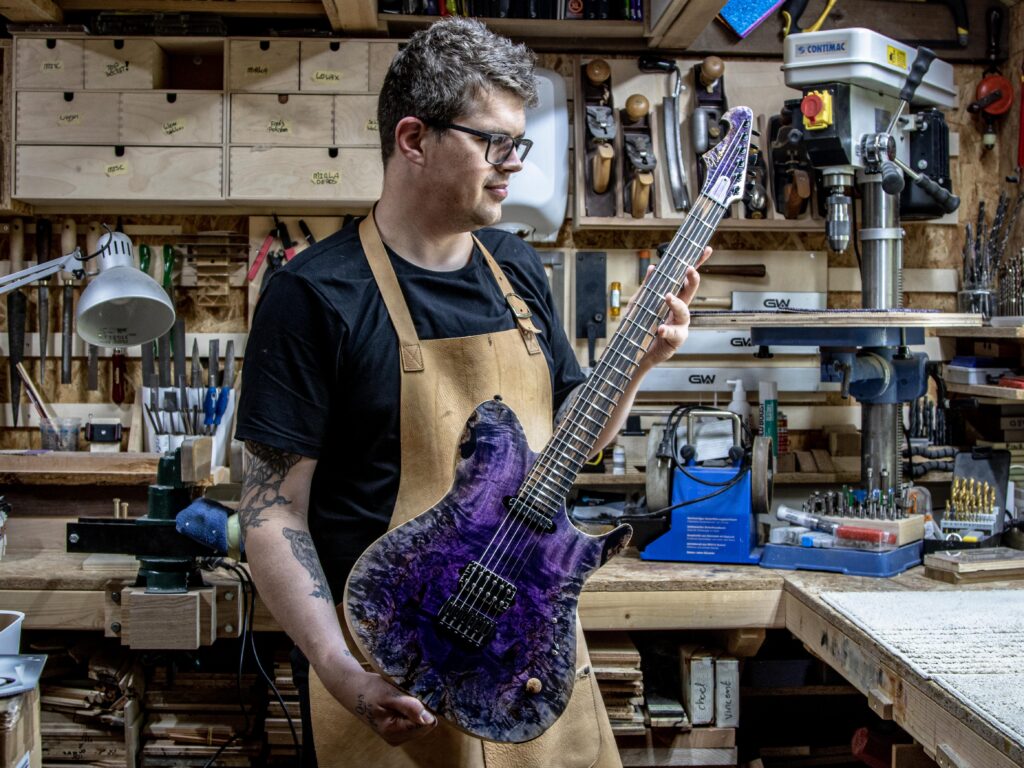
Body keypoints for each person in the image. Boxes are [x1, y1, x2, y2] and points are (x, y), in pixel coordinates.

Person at [235, 16, 710, 768]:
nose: (513, 163)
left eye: (518, 142)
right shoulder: (313, 295)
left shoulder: (516, 267)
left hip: (527, 653)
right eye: (494, 141)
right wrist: (340, 670)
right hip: (392, 669)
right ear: (414, 139)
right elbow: (270, 513)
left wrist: (642, 361)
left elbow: (568, 447)